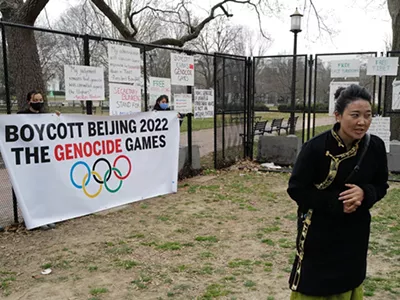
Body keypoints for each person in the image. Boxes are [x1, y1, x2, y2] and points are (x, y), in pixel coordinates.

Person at [287, 84, 389, 299]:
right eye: (355, 115)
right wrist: (335, 202)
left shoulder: (375, 147)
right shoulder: (315, 148)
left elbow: (381, 184)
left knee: (349, 279)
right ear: (338, 116)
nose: (362, 122)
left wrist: (365, 193)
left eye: (368, 115)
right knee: (315, 284)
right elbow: (297, 189)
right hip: (319, 229)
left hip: (355, 230)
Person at [17, 90, 58, 230]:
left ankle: (48, 216)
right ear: (29, 101)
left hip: (44, 160)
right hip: (29, 161)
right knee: (32, 191)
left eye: (41, 100)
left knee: (46, 190)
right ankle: (35, 219)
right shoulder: (20, 116)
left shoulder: (46, 116)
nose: (39, 103)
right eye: (36, 100)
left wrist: (57, 118)